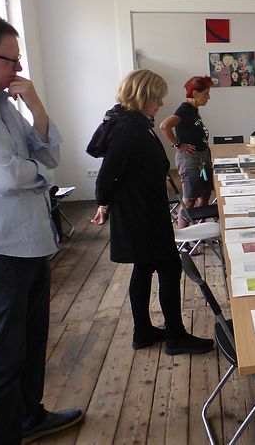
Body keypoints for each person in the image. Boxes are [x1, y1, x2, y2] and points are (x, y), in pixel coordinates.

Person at [0, 10, 83, 443]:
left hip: (32, 242)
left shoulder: (3, 104)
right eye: (12, 60)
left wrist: (36, 106)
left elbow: (48, 154)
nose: (19, 69)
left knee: (32, 345)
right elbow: (4, 176)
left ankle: (29, 419)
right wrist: (40, 174)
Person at [90, 69, 214, 356]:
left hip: (143, 210)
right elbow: (108, 175)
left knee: (144, 268)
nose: (160, 103)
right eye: (157, 97)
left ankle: (143, 331)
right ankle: (175, 336)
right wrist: (103, 203)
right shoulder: (128, 128)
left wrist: (105, 202)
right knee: (169, 268)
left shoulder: (133, 122)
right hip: (140, 214)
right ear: (142, 96)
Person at [159, 76, 215, 242]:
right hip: (190, 159)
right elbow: (164, 125)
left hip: (201, 157)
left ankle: (199, 233)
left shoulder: (193, 110)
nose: (208, 97)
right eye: (205, 94)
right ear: (195, 93)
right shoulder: (185, 109)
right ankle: (183, 240)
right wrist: (178, 145)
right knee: (189, 199)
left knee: (205, 194)